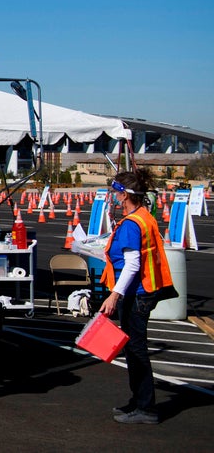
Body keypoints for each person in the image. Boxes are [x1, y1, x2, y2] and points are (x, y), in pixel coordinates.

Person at [97, 169, 177, 425]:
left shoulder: (132, 223)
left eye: (116, 193)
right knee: (133, 348)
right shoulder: (143, 217)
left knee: (136, 350)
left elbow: (132, 263)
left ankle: (146, 407)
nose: (113, 198)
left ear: (125, 195)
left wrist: (114, 295)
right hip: (144, 290)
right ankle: (139, 401)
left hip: (137, 293)